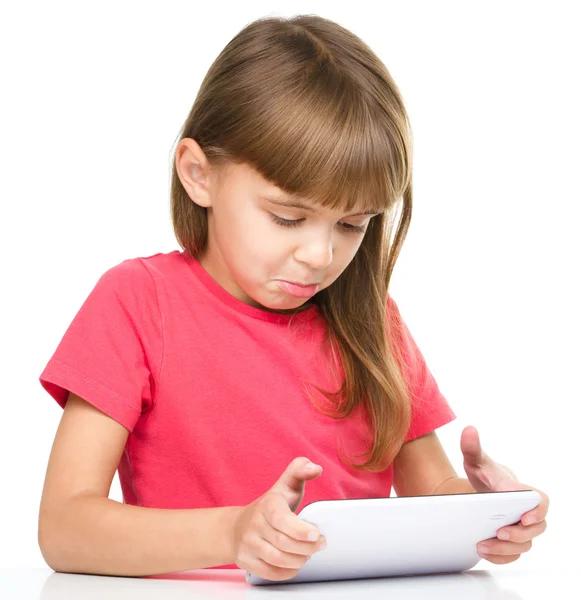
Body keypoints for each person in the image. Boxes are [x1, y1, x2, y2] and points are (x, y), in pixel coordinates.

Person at [37, 14, 549, 583]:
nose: (320, 255)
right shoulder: (138, 302)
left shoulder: (372, 321)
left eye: (352, 225)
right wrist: (233, 533)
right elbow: (65, 528)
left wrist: (490, 515)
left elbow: (434, 493)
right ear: (198, 174)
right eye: (288, 217)